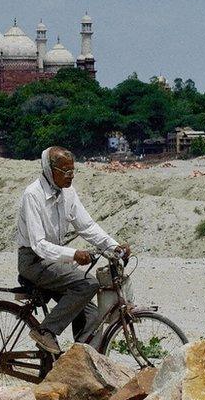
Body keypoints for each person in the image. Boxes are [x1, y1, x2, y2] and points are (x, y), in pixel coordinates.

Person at [15, 146, 130, 354]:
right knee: (88, 283)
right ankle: (46, 331)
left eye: (72, 171)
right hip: (33, 261)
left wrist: (114, 246)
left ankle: (80, 362)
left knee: (93, 315)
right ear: (50, 170)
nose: (70, 176)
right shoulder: (33, 195)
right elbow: (39, 245)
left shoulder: (68, 193)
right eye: (65, 172)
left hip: (55, 260)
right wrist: (73, 255)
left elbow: (86, 226)